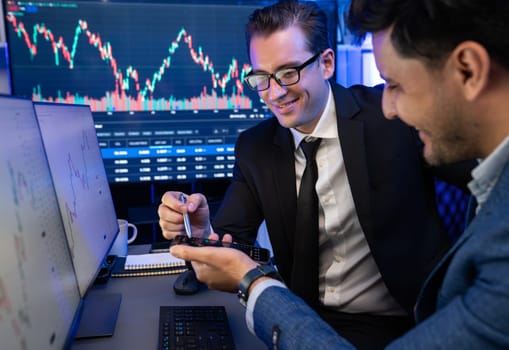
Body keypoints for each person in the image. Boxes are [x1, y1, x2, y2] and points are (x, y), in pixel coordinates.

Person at [168, 0, 509, 348]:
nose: (274, 92)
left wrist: (255, 285)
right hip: (299, 315)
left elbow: (487, 178)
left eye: (288, 73)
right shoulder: (255, 147)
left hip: (401, 323)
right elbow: (228, 245)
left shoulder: (395, 123)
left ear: (327, 63)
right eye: (261, 78)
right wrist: (201, 232)